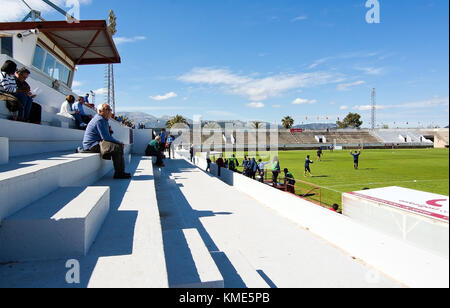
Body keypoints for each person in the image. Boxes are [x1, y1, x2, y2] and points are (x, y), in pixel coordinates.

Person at [82, 104, 131, 179]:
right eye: (107, 109)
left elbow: (107, 136)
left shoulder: (103, 120)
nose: (110, 111)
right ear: (100, 111)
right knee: (118, 147)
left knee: (117, 146)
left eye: (110, 110)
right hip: (92, 146)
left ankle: (120, 172)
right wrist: (119, 142)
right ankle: (119, 173)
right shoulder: (100, 120)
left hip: (98, 143)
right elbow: (105, 137)